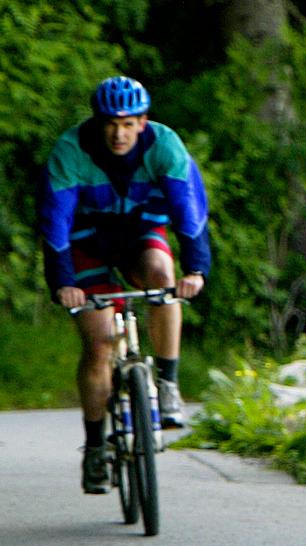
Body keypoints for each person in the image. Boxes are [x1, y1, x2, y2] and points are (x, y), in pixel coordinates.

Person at [37, 76, 212, 494]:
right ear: (97, 123)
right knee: (99, 344)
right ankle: (96, 447)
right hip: (85, 244)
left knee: (162, 278)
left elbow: (188, 211)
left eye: (129, 123)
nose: (119, 133)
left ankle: (168, 384)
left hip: (139, 236)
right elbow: (55, 222)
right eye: (111, 124)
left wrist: (196, 271)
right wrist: (64, 283)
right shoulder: (70, 151)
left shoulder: (164, 146)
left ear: (143, 122)